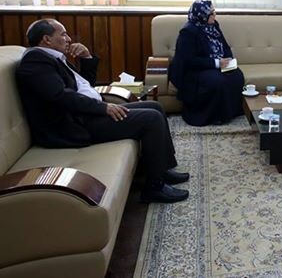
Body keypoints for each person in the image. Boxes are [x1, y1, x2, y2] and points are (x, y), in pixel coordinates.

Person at [16, 19, 190, 204]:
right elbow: (60, 95)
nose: (68, 39)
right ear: (46, 39)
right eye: (63, 34)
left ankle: (161, 169)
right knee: (151, 118)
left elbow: (83, 86)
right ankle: (154, 188)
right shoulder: (36, 61)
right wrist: (103, 107)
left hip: (83, 115)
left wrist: (87, 58)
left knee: (155, 107)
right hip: (72, 125)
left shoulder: (52, 57)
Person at [169, 0, 245, 126]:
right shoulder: (188, 32)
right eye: (212, 13)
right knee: (217, 81)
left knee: (237, 75)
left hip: (216, 65)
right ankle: (210, 117)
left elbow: (225, 46)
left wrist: (229, 60)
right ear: (202, 15)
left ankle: (230, 113)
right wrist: (216, 63)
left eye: (214, 11)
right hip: (195, 70)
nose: (215, 15)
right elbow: (189, 60)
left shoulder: (214, 25)